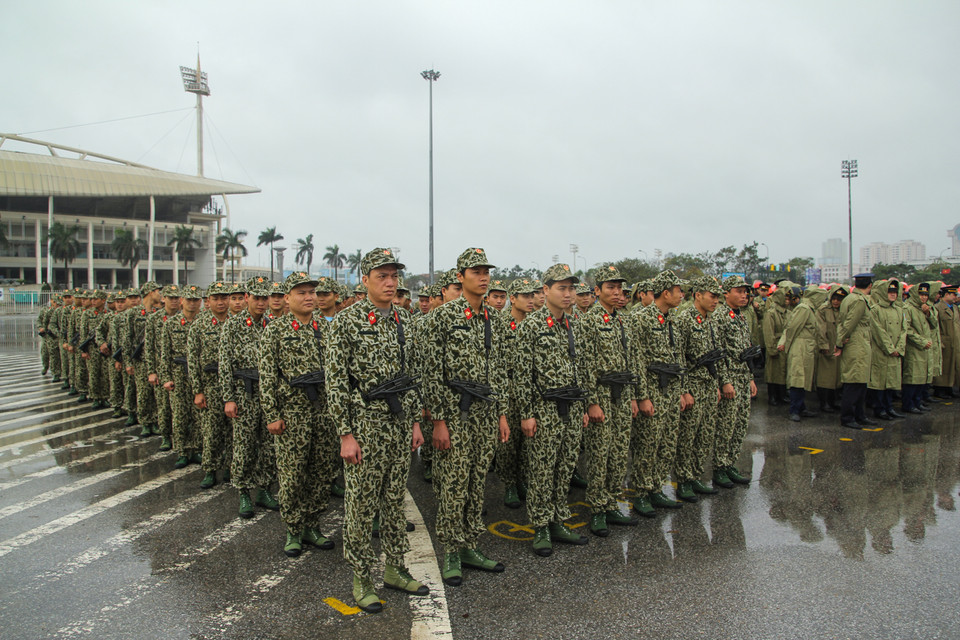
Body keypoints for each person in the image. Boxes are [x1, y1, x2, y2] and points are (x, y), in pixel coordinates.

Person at [326, 248, 428, 613]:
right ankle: (361, 578)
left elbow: (413, 374)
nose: (390, 282)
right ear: (365, 279)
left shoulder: (404, 319)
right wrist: (345, 434)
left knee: (394, 499)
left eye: (394, 276)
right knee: (361, 503)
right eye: (382, 276)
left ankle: (396, 569)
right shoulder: (346, 322)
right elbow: (336, 383)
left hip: (400, 423)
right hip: (365, 423)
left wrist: (415, 421)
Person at [421, 248, 510, 585]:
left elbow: (499, 369)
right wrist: (439, 421)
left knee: (477, 482)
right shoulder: (442, 318)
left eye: (486, 271)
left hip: (485, 413)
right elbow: (432, 372)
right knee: (454, 483)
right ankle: (451, 550)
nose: (483, 276)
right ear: (460, 276)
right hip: (455, 413)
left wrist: (501, 414)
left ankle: (471, 543)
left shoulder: (493, 319)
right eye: (475, 271)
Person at [259, 272, 338, 558]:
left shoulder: (327, 328)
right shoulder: (275, 330)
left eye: (312, 293)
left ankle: (312, 525)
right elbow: (267, 376)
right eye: (302, 293)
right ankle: (293, 528)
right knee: (292, 474)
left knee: (321, 471)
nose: (309, 297)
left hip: (324, 412)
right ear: (288, 298)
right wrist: (272, 414)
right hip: (292, 414)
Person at [515, 263, 589, 557]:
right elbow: (522, 374)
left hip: (571, 407)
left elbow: (580, 367)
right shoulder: (531, 326)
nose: (569, 293)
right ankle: (541, 526)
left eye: (571, 288)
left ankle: (559, 518)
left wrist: (583, 406)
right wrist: (526, 413)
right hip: (544, 408)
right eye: (562, 288)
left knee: (565, 466)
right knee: (542, 469)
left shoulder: (574, 324)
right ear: (545, 291)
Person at [577, 265, 639, 535]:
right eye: (610, 287)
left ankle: (612, 501)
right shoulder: (589, 320)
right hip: (601, 393)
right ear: (597, 290)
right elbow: (585, 364)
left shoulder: (623, 319)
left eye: (620, 288)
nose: (617, 292)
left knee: (618, 451)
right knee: (599, 454)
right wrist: (591, 402)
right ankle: (597, 508)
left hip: (623, 393)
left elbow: (633, 358)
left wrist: (635, 396)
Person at [220, 277, 280, 519]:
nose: (262, 302)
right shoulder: (233, 326)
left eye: (265, 298)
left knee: (267, 445)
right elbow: (225, 364)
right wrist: (228, 398)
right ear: (247, 298)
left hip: (267, 394)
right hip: (243, 392)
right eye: (257, 298)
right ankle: (243, 490)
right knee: (244, 444)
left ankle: (264, 489)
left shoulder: (272, 325)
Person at [629, 270, 688, 516]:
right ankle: (641, 493)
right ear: (666, 293)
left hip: (672, 389)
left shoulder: (672, 318)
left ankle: (656, 488)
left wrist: (683, 390)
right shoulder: (641, 318)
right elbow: (636, 359)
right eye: (679, 291)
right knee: (647, 444)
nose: (682, 295)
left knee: (666, 443)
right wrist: (642, 396)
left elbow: (679, 355)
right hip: (652, 388)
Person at [673, 276, 724, 501]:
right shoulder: (684, 320)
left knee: (704, 435)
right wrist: (684, 390)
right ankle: (683, 480)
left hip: (708, 384)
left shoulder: (710, 320)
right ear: (698, 295)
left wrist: (719, 383)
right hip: (692, 384)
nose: (715, 301)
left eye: (717, 297)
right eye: (712, 296)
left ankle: (695, 475)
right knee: (688, 436)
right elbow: (679, 357)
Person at [495, 278, 537, 509]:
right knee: (508, 441)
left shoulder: (535, 323)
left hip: (529, 388)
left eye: (533, 296)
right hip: (508, 388)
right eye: (525, 296)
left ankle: (522, 478)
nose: (531, 300)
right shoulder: (501, 323)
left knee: (527, 439)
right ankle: (509, 483)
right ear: (513, 299)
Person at [713, 275, 758, 489]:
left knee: (740, 424)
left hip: (742, 375)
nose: (744, 295)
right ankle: (720, 466)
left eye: (745, 291)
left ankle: (730, 463)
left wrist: (750, 377)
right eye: (739, 291)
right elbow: (719, 352)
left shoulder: (740, 316)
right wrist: (725, 381)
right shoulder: (720, 316)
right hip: (729, 377)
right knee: (726, 425)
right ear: (727, 293)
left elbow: (746, 350)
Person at [188, 282, 232, 488]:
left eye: (224, 298)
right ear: (208, 301)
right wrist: (197, 391)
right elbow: (193, 360)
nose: (221, 302)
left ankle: (232, 467)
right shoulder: (199, 324)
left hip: (232, 385)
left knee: (233, 431)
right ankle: (210, 469)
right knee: (211, 431)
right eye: (216, 298)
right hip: (210, 384)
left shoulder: (237, 322)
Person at [160, 285, 204, 469]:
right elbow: (165, 353)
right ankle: (182, 451)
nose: (192, 303)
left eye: (196, 300)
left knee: (198, 415)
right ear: (182, 301)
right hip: (178, 373)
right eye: (189, 300)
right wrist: (165, 377)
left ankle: (196, 448)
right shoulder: (171, 323)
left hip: (199, 374)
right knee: (179, 415)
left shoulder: (204, 322)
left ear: (200, 302)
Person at [836, 273, 878, 429]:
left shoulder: (849, 298)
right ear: (870, 286)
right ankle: (848, 417)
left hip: (858, 343)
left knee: (860, 382)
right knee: (853, 382)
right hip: (857, 343)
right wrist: (840, 342)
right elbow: (849, 323)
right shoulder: (859, 301)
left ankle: (860, 414)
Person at [120, 282, 162, 434]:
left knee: (157, 393)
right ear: (150, 292)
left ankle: (157, 420)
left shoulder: (159, 312)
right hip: (140, 359)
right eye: (158, 291)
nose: (160, 295)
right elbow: (127, 339)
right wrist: (128, 362)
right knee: (143, 392)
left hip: (156, 359)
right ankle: (146, 422)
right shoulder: (134, 313)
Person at [779, 285, 822, 422]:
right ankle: (795, 410)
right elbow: (792, 327)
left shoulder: (805, 308)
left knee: (801, 380)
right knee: (797, 379)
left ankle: (800, 407)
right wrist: (787, 344)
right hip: (800, 347)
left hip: (804, 347)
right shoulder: (804, 308)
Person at [146, 286, 182, 449]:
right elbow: (149, 346)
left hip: (181, 369)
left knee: (182, 409)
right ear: (164, 299)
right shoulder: (155, 319)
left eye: (176, 297)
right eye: (170, 297)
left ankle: (183, 441)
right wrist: (151, 371)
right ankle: (166, 436)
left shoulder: (185, 317)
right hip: (162, 368)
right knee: (164, 406)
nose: (174, 300)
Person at [867, 280, 906, 420]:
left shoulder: (899, 310)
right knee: (880, 382)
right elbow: (878, 331)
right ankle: (880, 409)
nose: (893, 295)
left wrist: (899, 347)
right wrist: (890, 348)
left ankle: (889, 407)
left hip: (896, 351)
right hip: (881, 351)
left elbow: (904, 330)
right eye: (890, 292)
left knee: (891, 382)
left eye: (895, 293)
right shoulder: (875, 310)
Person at [902, 282, 934, 413]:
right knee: (912, 377)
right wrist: (921, 341)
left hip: (925, 347)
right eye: (921, 294)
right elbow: (907, 329)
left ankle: (917, 401)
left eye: (926, 295)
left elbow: (935, 325)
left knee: (922, 377)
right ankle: (908, 404)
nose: (924, 298)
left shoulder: (924, 308)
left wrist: (928, 314)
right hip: (914, 347)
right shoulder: (908, 308)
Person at [815, 285, 847, 413]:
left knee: (837, 377)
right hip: (827, 346)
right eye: (834, 298)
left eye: (839, 299)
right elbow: (820, 329)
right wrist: (823, 345)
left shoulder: (844, 310)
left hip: (839, 347)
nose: (835, 301)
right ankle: (824, 402)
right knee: (825, 377)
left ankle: (833, 401)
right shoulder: (823, 309)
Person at [762, 284, 790, 406]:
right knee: (773, 373)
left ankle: (781, 395)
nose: (788, 301)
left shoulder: (787, 313)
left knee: (782, 372)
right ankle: (772, 396)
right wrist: (772, 349)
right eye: (786, 298)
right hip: (775, 345)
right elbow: (768, 332)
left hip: (784, 346)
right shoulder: (771, 313)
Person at [932, 284, 959, 398]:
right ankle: (940, 390)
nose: (955, 297)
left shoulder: (955, 308)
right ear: (946, 294)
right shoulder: (938, 308)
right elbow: (935, 327)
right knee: (944, 367)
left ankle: (949, 388)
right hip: (945, 341)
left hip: (955, 341)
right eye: (953, 294)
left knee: (953, 366)